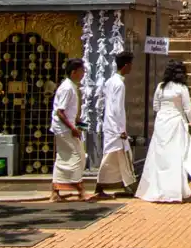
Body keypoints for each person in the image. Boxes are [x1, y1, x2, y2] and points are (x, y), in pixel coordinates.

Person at [136, 59, 191, 203]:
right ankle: (175, 191)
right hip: (176, 122)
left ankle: (158, 189)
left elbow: (156, 106)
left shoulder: (160, 87)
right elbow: (188, 109)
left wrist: (163, 114)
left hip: (162, 123)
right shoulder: (181, 88)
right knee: (176, 156)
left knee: (160, 157)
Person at [95, 51, 137, 199]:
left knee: (117, 157)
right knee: (122, 156)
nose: (131, 67)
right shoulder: (119, 84)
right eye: (131, 65)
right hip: (115, 128)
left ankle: (126, 185)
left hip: (110, 125)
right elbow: (118, 108)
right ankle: (104, 186)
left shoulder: (110, 81)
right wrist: (121, 130)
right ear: (126, 66)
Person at [50, 58, 89, 202]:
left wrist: (77, 121)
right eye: (81, 71)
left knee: (65, 157)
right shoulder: (67, 87)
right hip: (64, 129)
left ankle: (56, 191)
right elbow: (60, 112)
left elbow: (67, 110)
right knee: (77, 156)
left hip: (66, 127)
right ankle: (80, 190)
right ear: (74, 72)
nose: (83, 73)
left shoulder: (71, 86)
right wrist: (72, 127)